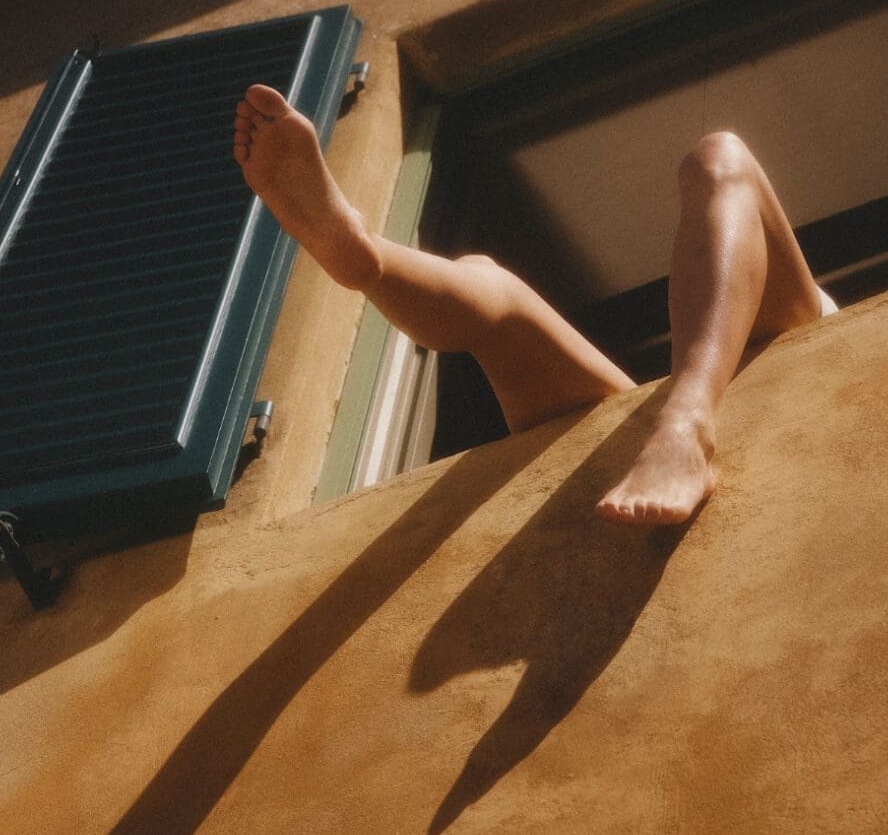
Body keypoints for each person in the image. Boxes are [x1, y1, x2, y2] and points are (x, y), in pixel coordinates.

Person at [233, 84, 835, 527]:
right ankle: (365, 256)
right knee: (715, 160)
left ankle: (686, 420)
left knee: (719, 162)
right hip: (647, 433)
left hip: (717, 404)